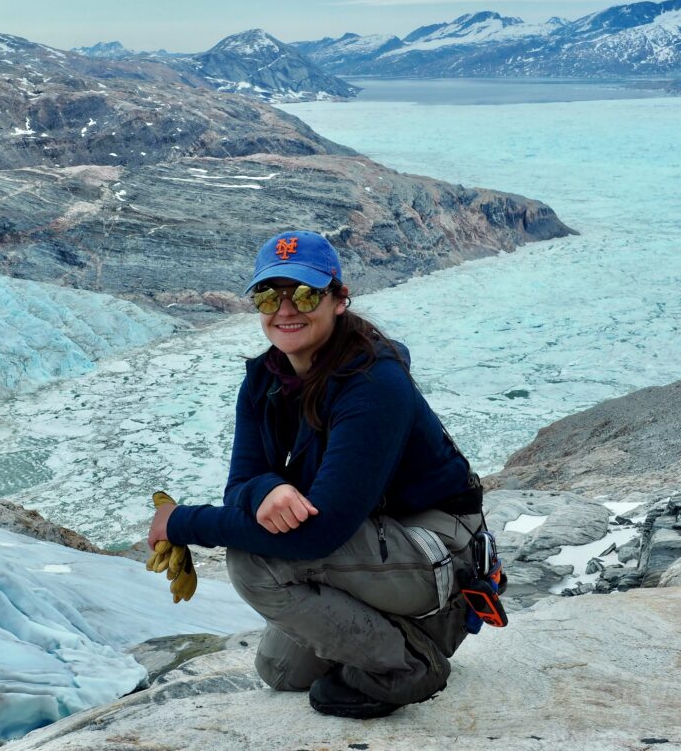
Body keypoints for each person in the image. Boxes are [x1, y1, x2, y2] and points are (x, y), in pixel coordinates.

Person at [148, 230, 486, 719]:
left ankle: (410, 662)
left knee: (253, 560)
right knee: (281, 673)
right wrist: (269, 486)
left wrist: (180, 522)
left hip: (436, 549)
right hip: (374, 541)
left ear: (339, 300)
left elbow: (321, 534)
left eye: (305, 293)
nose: (286, 309)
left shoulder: (374, 383)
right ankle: (402, 634)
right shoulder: (266, 378)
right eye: (269, 295)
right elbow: (241, 482)